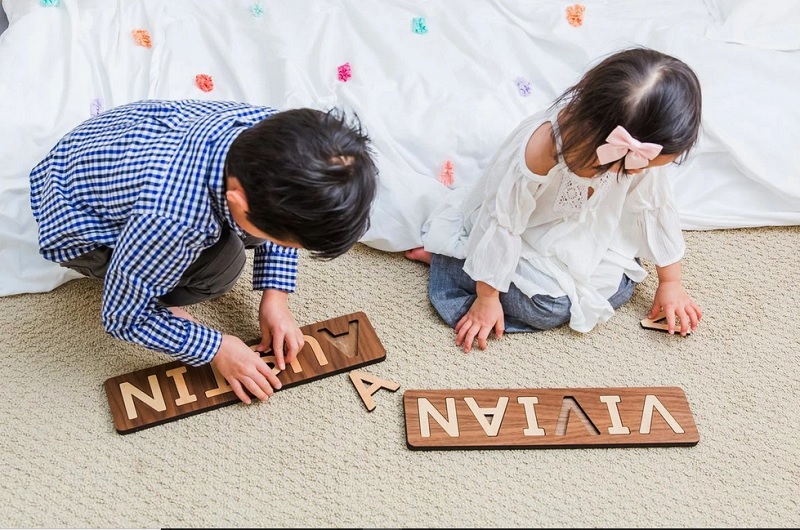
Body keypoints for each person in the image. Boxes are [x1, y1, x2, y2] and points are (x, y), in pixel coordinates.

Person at [30, 99, 378, 403]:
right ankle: (158, 298)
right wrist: (215, 347)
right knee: (225, 266)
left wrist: (276, 297)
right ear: (238, 202)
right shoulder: (173, 223)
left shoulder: (277, 133)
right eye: (291, 245)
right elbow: (121, 318)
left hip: (112, 141)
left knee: (261, 231)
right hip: (75, 220)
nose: (291, 249)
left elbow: (281, 211)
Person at [406, 47, 703, 352]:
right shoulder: (540, 150)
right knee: (548, 308)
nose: (645, 169)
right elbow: (503, 223)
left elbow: (654, 208)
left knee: (620, 284)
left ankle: (477, 269)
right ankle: (454, 262)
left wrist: (670, 283)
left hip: (582, 230)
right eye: (648, 163)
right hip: (522, 233)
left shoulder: (639, 157)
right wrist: (487, 298)